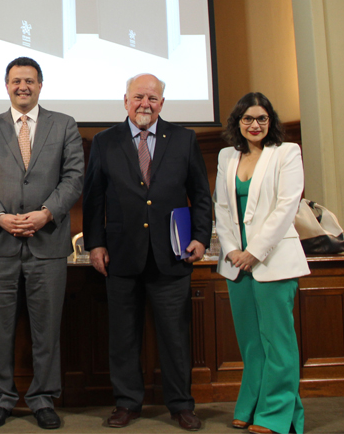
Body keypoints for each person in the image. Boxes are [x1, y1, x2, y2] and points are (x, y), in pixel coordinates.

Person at [83, 73, 211, 431]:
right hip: (121, 256)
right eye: (138, 97)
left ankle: (181, 405)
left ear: (162, 104)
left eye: (152, 98)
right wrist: (96, 243)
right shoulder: (105, 141)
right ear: (125, 101)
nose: (145, 104)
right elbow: (93, 198)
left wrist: (201, 236)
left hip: (172, 255)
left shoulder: (184, 139)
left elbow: (200, 194)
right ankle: (127, 404)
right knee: (123, 337)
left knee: (175, 337)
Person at [0, 57, 84, 430]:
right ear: (6, 86)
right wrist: (0, 217)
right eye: (16, 81)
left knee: (46, 329)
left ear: (40, 85)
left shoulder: (63, 125)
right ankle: (0, 398)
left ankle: (42, 397)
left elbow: (74, 177)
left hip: (47, 243)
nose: (23, 87)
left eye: (30, 81)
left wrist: (47, 213)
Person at [214, 93, 308, 434]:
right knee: (251, 342)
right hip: (236, 264)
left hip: (274, 260)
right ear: (238, 123)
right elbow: (222, 209)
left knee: (277, 342)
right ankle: (252, 406)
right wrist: (231, 251)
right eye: (248, 119)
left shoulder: (286, 153)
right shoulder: (227, 155)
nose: (255, 125)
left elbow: (286, 207)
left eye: (262, 119)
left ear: (271, 122)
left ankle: (276, 414)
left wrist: (254, 251)